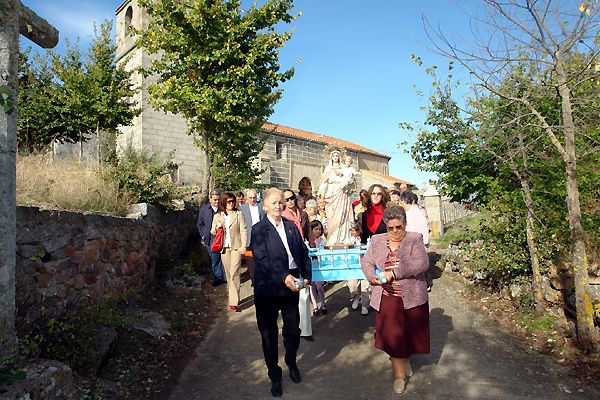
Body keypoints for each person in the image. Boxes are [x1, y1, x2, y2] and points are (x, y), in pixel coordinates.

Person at [360, 205, 430, 395]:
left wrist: (395, 273)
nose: (395, 231)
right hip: (388, 299)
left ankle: (405, 360)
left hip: (412, 298)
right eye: (390, 228)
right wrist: (371, 277)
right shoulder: (377, 240)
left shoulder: (414, 239)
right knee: (393, 337)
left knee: (410, 336)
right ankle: (399, 376)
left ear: (405, 224)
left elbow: (422, 263)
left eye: (398, 227)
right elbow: (366, 261)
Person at [251, 188, 312, 397]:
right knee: (268, 334)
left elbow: (303, 253)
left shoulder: (291, 227)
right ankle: (275, 375)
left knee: (293, 330)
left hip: (291, 286)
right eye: (274, 202)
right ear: (265, 206)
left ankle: (291, 362)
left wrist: (306, 276)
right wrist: (284, 276)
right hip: (268, 288)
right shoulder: (259, 229)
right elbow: (262, 258)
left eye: (281, 202)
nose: (278, 206)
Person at [281, 189, 312, 341]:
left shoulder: (303, 214)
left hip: (302, 254)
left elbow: (309, 233)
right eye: (286, 199)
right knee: (290, 298)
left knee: (304, 293)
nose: (290, 201)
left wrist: (311, 250)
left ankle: (305, 331)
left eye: (292, 198)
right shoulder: (282, 217)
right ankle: (291, 328)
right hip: (289, 258)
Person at [211, 192, 248, 310]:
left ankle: (234, 301)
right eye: (229, 201)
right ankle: (233, 294)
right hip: (224, 248)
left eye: (233, 201)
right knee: (228, 273)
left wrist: (244, 245)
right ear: (224, 202)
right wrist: (218, 226)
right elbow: (212, 231)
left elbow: (243, 230)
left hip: (236, 247)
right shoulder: (218, 215)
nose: (231, 204)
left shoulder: (238, 214)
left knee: (234, 272)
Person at [317, 150, 354, 245]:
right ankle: (333, 238)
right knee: (333, 215)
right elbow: (324, 182)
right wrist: (321, 193)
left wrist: (348, 183)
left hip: (342, 193)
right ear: (331, 157)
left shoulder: (344, 168)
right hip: (332, 193)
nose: (335, 157)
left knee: (343, 214)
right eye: (333, 156)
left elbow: (350, 178)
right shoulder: (328, 168)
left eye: (337, 155)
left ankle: (344, 238)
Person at [197, 190, 226, 286]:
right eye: (215, 200)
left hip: (223, 236)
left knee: (224, 257)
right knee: (215, 259)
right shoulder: (204, 210)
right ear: (210, 199)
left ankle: (226, 277)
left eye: (218, 199)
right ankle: (218, 278)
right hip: (210, 238)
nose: (217, 202)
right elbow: (200, 224)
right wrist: (204, 235)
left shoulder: (223, 209)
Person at [239, 189, 265, 283]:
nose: (253, 200)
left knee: (261, 259)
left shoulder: (261, 205)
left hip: (260, 237)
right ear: (247, 198)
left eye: (254, 197)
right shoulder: (242, 208)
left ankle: (261, 277)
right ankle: (254, 279)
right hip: (249, 238)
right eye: (250, 198)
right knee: (250, 260)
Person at [347, 222, 370, 315]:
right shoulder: (348, 239)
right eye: (352, 230)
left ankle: (365, 305)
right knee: (352, 284)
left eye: (355, 230)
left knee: (365, 286)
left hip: (364, 264)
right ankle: (356, 298)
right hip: (352, 265)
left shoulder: (365, 239)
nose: (353, 232)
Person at [308, 220, 326, 317]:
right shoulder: (307, 241)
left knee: (319, 286)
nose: (318, 231)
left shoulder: (322, 240)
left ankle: (323, 303)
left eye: (319, 229)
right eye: (316, 229)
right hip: (310, 265)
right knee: (312, 286)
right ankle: (315, 306)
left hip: (319, 265)